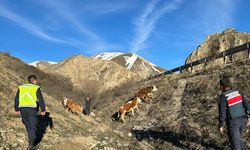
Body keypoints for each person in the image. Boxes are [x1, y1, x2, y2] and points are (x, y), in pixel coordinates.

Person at [14, 75, 46, 150]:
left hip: (22, 109)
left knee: (28, 125)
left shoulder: (21, 87)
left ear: (28, 80)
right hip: (32, 109)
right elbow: (40, 99)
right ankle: (31, 146)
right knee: (32, 127)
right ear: (35, 81)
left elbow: (16, 99)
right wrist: (43, 109)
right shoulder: (36, 87)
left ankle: (30, 141)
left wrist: (16, 109)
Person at [218, 77, 250, 150]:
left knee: (236, 144)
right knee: (239, 140)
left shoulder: (223, 96)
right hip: (243, 120)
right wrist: (249, 117)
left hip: (233, 123)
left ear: (222, 86)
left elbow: (222, 112)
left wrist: (221, 125)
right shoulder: (238, 92)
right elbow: (247, 105)